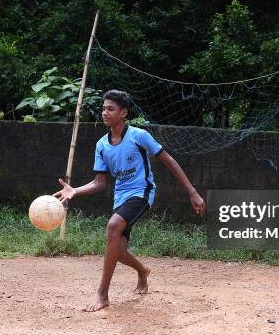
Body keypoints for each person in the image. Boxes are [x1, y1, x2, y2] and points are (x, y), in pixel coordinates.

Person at [53, 89, 205, 312]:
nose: (105, 113)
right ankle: (143, 271)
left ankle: (102, 294)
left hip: (142, 192)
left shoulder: (139, 136)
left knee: (113, 226)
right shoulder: (101, 145)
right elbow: (99, 182)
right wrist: (75, 190)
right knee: (119, 251)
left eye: (110, 109)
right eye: (104, 108)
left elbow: (169, 161)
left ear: (123, 113)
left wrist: (192, 192)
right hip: (121, 198)